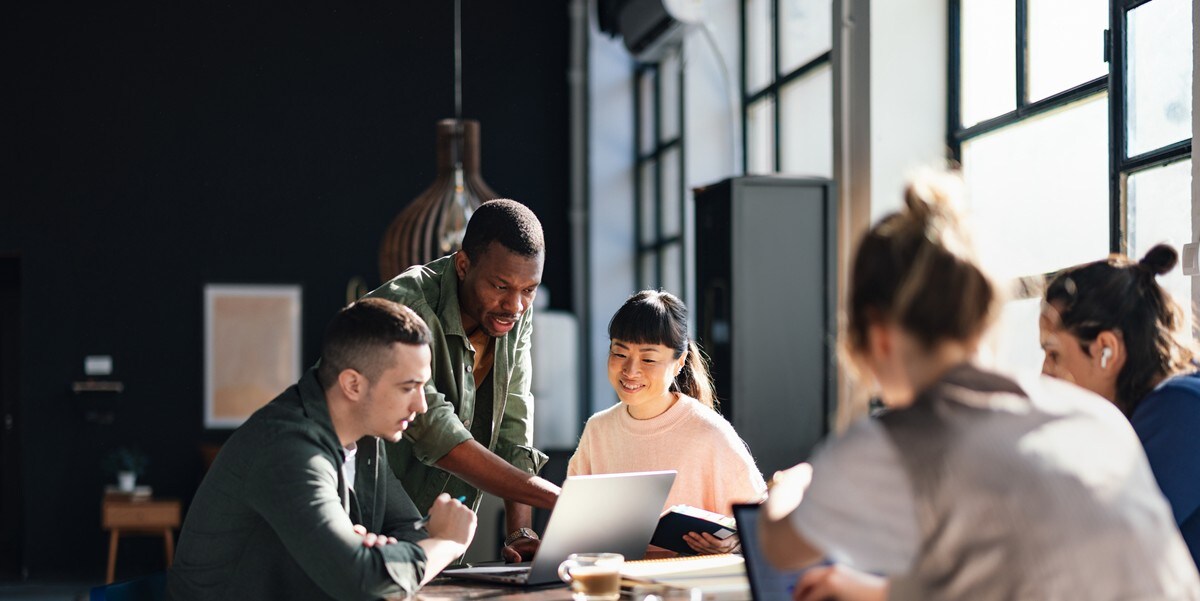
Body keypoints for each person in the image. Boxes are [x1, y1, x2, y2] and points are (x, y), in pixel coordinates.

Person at [757, 174, 1200, 601]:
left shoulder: (895, 441)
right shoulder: (1096, 418)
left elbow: (779, 549)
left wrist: (792, 487)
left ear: (877, 335)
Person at [167, 298, 477, 601]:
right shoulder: (287, 449)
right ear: (352, 385)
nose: (421, 406)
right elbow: (362, 581)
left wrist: (375, 560)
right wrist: (449, 542)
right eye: (408, 387)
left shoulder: (366, 438)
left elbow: (409, 529)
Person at [366, 198, 559, 563]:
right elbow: (437, 433)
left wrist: (521, 532)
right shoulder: (403, 308)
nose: (515, 306)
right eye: (500, 286)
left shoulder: (514, 314)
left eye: (529, 290)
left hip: (441, 547)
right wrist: (562, 501)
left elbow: (514, 422)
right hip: (365, 526)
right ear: (463, 265)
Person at [567, 290, 767, 555]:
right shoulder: (598, 430)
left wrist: (736, 541)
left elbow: (761, 519)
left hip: (685, 577)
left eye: (648, 359)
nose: (631, 370)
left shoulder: (709, 432)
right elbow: (572, 523)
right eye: (619, 353)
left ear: (679, 363)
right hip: (614, 576)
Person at [1040, 243, 1200, 568]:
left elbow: (1094, 556)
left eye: (1054, 353)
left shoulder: (1180, 410)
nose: (1044, 374)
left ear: (1106, 350)